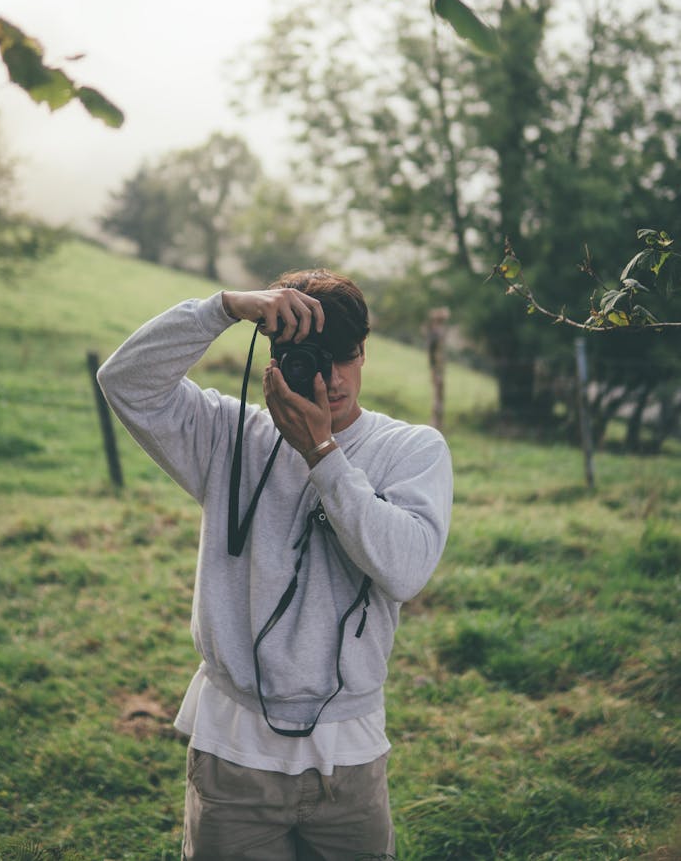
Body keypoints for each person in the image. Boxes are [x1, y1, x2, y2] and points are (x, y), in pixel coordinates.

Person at [97, 269, 453, 861]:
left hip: (349, 756)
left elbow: (405, 571)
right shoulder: (228, 435)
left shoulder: (411, 450)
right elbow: (124, 380)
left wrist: (323, 457)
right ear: (275, 358)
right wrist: (224, 308)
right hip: (233, 752)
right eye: (311, 357)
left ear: (364, 352)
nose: (330, 377)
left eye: (343, 356)